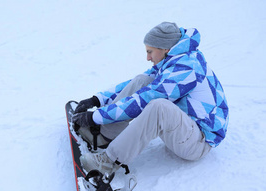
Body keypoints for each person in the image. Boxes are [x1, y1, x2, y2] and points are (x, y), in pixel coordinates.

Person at [72, 22, 229, 180]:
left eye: (150, 52)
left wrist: (95, 116)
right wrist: (98, 99)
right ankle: (105, 135)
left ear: (165, 49)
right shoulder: (175, 58)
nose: (147, 58)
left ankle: (108, 161)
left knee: (159, 106)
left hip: (198, 143)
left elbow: (143, 100)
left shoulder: (187, 69)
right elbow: (138, 84)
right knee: (142, 80)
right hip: (187, 128)